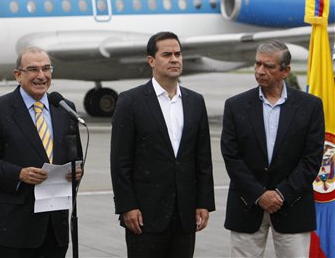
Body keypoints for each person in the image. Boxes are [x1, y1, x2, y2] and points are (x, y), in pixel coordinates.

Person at [110, 31, 215, 258]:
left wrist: (204, 202)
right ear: (151, 61)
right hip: (145, 214)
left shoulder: (195, 102)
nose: (174, 59)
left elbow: (202, 158)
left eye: (178, 54)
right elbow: (120, 161)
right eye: (167, 54)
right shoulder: (130, 101)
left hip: (185, 213)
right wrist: (127, 206)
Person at [0, 46, 83, 258]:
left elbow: (75, 156)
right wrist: (19, 174)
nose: (41, 76)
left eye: (46, 69)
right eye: (32, 69)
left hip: (54, 225)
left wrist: (76, 172)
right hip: (12, 225)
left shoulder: (64, 108)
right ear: (18, 75)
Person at [221, 39, 325, 257]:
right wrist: (259, 194)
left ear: (285, 71)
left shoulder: (310, 106)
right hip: (247, 204)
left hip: (293, 205)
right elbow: (231, 156)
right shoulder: (235, 105)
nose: (260, 71)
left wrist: (281, 194)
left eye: (268, 66)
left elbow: (312, 159)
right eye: (257, 64)